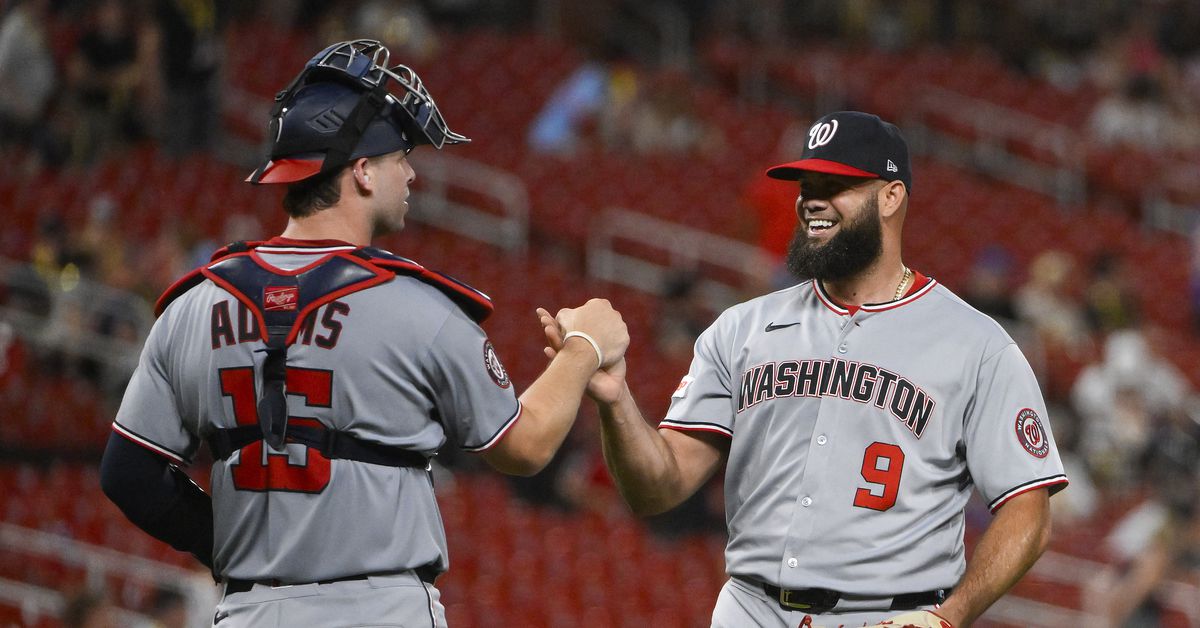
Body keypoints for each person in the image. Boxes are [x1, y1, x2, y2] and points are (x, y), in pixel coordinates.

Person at [100, 39, 628, 628]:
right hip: (380, 609)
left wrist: (226, 548)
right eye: (401, 155)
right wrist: (584, 348)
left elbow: (129, 475)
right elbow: (524, 446)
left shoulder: (193, 306)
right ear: (363, 171)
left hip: (250, 610)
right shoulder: (415, 305)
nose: (411, 172)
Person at [540, 112, 1069, 627]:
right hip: (750, 608)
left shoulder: (976, 345)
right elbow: (657, 487)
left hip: (888, 616)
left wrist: (950, 616)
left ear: (891, 196)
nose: (812, 200)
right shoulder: (741, 328)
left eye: (835, 185)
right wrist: (616, 402)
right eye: (807, 185)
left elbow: (1029, 511)